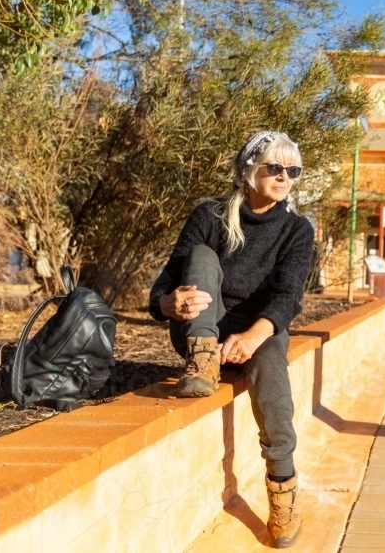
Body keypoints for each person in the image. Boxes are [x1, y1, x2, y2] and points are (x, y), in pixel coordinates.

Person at [148, 131, 314, 549]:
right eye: (274, 167)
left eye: (292, 170)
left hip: (258, 329)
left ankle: (283, 490)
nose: (284, 177)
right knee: (201, 257)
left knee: (272, 370)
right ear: (248, 170)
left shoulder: (296, 229)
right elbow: (163, 287)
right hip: (200, 327)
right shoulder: (210, 215)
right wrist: (169, 303)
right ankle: (202, 364)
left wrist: (254, 336)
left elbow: (288, 297)